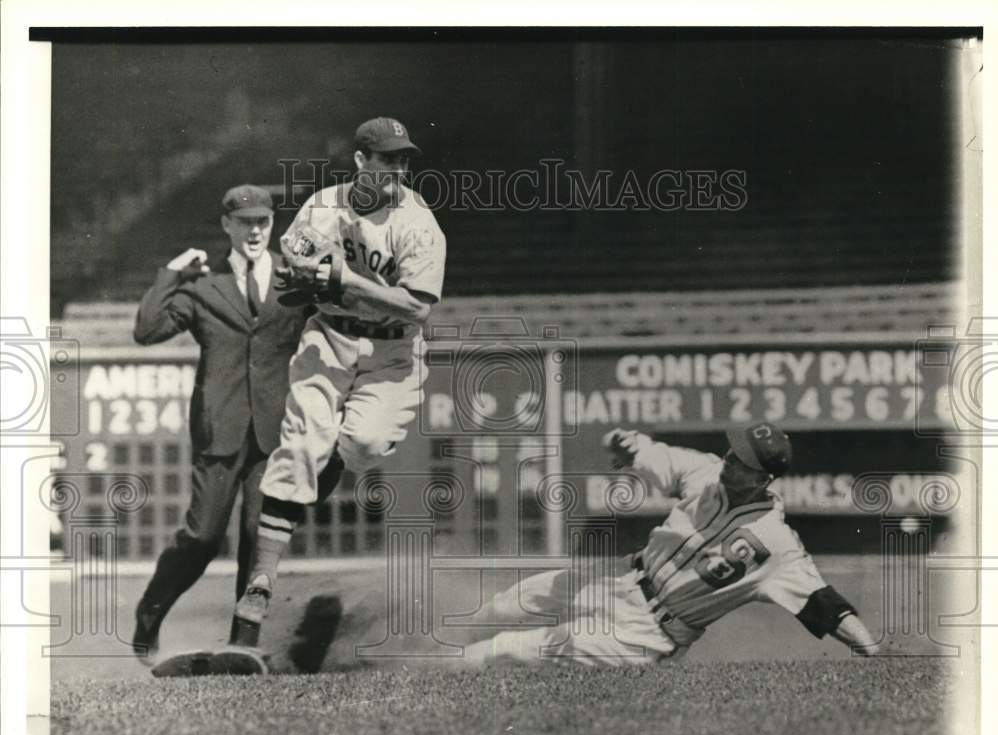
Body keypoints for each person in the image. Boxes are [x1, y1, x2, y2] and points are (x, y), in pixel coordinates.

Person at [208, 117, 446, 674]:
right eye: (387, 159)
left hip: (393, 355)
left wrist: (343, 279)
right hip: (330, 337)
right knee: (297, 447)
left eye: (404, 159)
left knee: (363, 445)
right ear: (361, 162)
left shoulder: (417, 221)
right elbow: (294, 259)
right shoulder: (322, 205)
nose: (398, 168)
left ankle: (331, 465)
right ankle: (253, 604)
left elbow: (418, 307)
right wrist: (306, 276)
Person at [461, 422, 880, 666]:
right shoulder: (706, 472)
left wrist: (873, 653)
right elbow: (651, 453)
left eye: (743, 462)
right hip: (623, 576)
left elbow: (825, 605)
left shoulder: (778, 546)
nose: (731, 462)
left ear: (762, 479)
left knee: (509, 650)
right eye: (733, 453)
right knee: (508, 603)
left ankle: (433, 670)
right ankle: (432, 644)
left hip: (648, 632)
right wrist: (626, 444)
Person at [131, 184, 322, 667]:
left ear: (272, 224)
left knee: (260, 538)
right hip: (220, 429)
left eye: (263, 221)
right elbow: (148, 329)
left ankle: (244, 643)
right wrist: (171, 274)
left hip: (275, 431)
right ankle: (150, 614)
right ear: (226, 226)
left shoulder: (294, 277)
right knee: (201, 537)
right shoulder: (202, 283)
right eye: (245, 223)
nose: (255, 230)